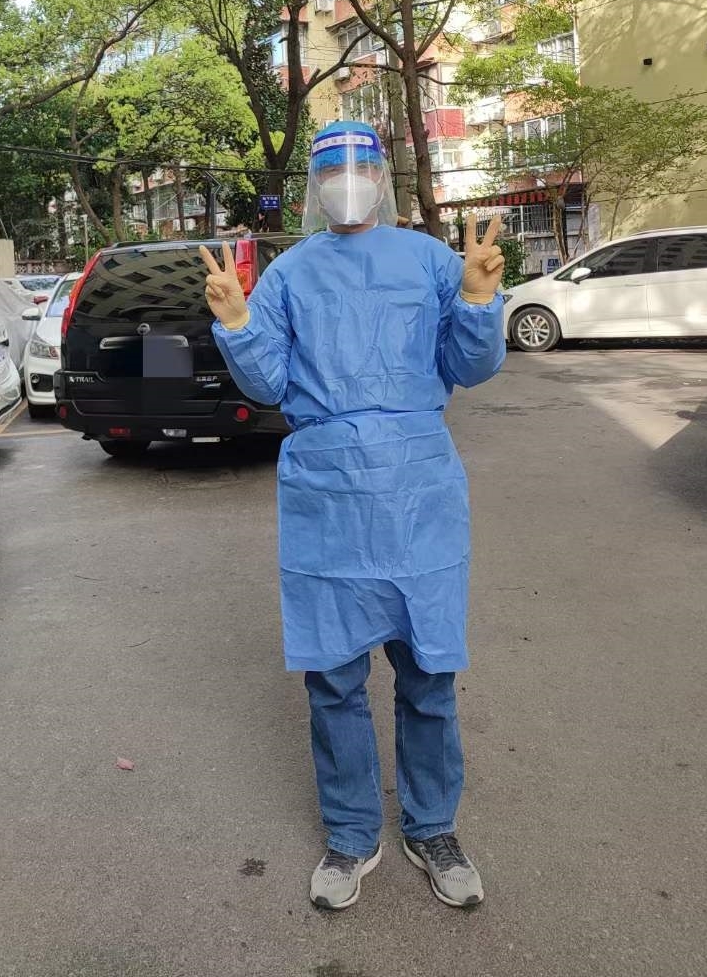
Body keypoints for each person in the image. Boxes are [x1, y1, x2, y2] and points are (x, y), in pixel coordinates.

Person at [199, 121, 505, 911]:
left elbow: (469, 367)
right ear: (313, 184)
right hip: (328, 493)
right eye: (331, 168)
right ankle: (350, 833)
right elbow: (268, 383)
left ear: (381, 176)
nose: (346, 181)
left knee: (428, 672)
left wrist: (477, 301)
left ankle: (432, 828)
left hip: (417, 490)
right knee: (333, 679)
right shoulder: (291, 274)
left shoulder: (431, 261)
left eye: (359, 166)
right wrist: (236, 322)